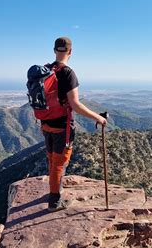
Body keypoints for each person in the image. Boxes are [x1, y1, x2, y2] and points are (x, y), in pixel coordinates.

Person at [42, 37, 107, 211]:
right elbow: (75, 105)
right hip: (62, 126)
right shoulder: (68, 73)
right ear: (70, 52)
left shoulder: (45, 70)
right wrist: (98, 118)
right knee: (60, 162)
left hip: (45, 123)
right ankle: (54, 201)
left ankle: (55, 188)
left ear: (55, 50)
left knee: (51, 159)